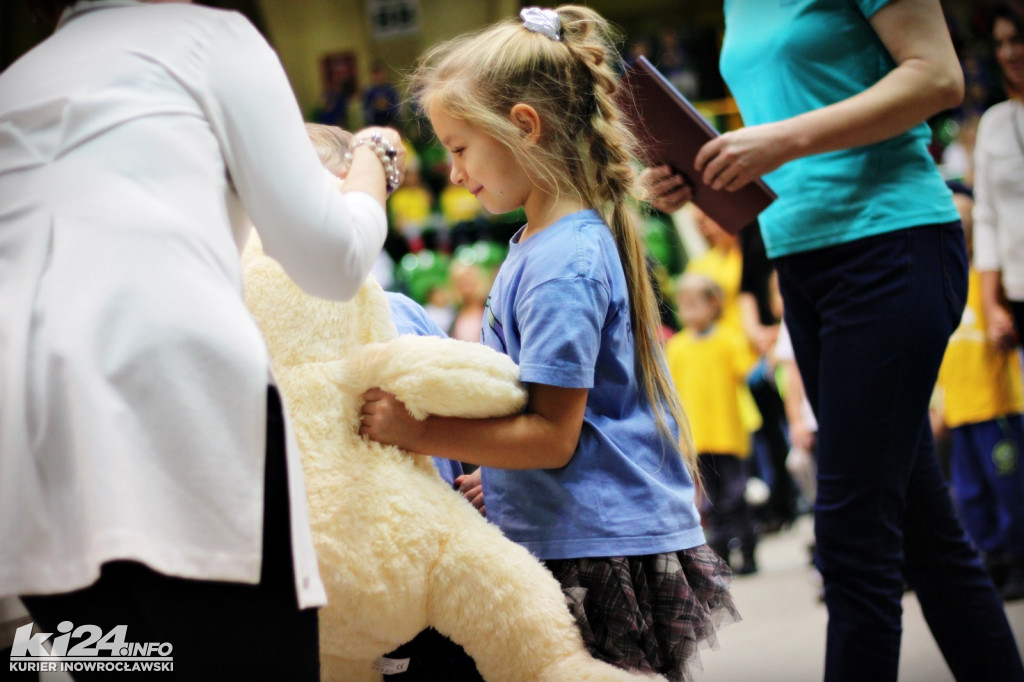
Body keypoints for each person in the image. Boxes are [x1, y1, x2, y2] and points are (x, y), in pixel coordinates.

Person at [0, 2, 404, 679]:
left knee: (129, 667)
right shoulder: (211, 36)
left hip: (21, 428)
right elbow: (331, 258)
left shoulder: (17, 78)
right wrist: (372, 162)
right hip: (170, 390)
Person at [359, 6, 738, 680]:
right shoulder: (545, 243)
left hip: (594, 547)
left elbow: (552, 438)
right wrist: (495, 476)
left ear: (524, 128)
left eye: (460, 147)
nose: (452, 172)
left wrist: (417, 430)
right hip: (579, 530)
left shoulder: (563, 262)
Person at [694, 1, 1024, 680]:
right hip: (803, 259)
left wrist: (781, 140)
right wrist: (693, 176)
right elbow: (779, 123)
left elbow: (938, 77)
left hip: (888, 242)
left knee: (851, 543)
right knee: (925, 532)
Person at [936, 183, 1024, 602]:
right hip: (958, 410)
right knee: (968, 492)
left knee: (1010, 486)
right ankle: (992, 556)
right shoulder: (941, 280)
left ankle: (1018, 556)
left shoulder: (991, 282)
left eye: (967, 221)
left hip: (997, 407)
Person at [666, 274, 759, 575]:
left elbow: (748, 371)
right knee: (710, 501)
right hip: (697, 440)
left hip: (728, 434)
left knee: (735, 495)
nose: (688, 312)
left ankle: (748, 549)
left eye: (695, 304)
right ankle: (721, 556)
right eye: (684, 305)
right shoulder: (677, 347)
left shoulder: (728, 339)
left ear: (714, 303)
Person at [974, 0, 1024, 353]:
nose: (1008, 53)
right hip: (1018, 292)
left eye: (1017, 39)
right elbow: (986, 217)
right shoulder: (993, 123)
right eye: (999, 43)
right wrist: (991, 306)